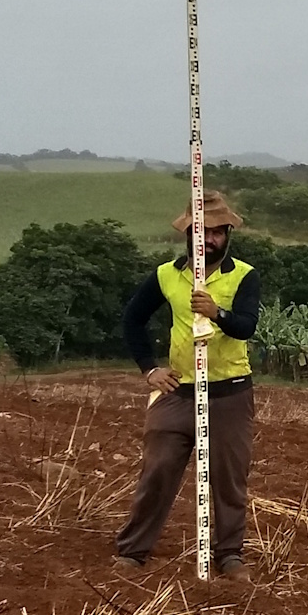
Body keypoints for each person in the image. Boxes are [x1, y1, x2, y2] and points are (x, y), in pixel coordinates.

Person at [113, 190, 262, 582]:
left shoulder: (244, 275)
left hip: (230, 391)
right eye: (201, 232)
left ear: (228, 234)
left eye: (216, 232)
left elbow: (247, 326)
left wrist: (218, 313)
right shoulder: (166, 274)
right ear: (189, 234)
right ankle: (133, 552)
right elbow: (132, 321)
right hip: (178, 390)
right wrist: (149, 370)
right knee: (158, 469)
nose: (208, 239)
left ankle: (229, 555)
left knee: (229, 478)